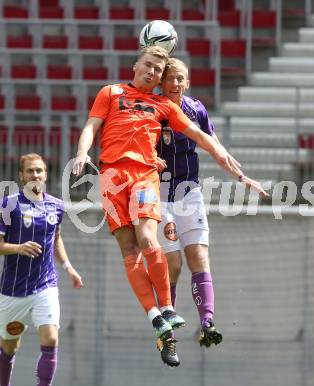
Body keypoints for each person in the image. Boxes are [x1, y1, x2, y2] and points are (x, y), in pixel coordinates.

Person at [72, 46, 267, 367]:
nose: (152, 72)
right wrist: (82, 152)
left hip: (146, 176)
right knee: (129, 249)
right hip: (111, 178)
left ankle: (168, 309)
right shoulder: (111, 92)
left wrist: (240, 174)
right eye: (148, 66)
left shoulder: (163, 105)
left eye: (157, 71)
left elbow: (201, 137)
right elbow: (92, 126)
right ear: (136, 65)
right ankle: (156, 316)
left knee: (149, 240)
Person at [156, 58, 238, 347]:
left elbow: (212, 142)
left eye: (181, 79)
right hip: (159, 195)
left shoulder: (197, 109)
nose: (176, 83)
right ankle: (167, 325)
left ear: (187, 83)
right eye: (171, 78)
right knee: (174, 264)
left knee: (199, 257)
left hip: (189, 193)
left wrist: (237, 171)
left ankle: (207, 322)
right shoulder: (152, 110)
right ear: (161, 82)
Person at [0, 153, 83, 386]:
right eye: (30, 171)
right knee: (9, 347)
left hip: (45, 286)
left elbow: (56, 240)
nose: (35, 175)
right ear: (21, 176)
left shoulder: (56, 206)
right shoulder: (8, 205)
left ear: (45, 175)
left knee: (51, 338)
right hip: (12, 291)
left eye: (39, 170)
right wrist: (18, 248)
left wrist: (68, 268)